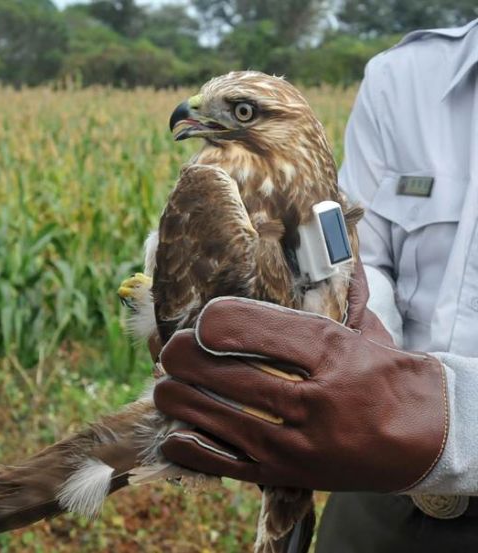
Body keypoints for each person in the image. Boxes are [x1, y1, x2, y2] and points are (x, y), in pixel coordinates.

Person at [153, 18, 478, 552]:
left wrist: (430, 418)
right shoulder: (405, 76)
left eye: (239, 111)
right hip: (375, 492)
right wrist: (340, 364)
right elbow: (358, 254)